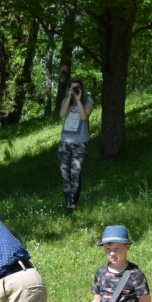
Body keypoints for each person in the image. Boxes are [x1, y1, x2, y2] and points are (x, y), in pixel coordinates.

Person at [58, 77, 95, 213]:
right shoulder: (65, 101)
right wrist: (69, 98)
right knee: (65, 174)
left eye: (77, 88)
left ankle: (73, 204)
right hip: (65, 142)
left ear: (81, 88)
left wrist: (79, 100)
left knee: (75, 172)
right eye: (72, 88)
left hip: (80, 142)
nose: (74, 90)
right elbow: (62, 114)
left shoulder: (88, 101)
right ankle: (68, 203)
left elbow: (84, 116)